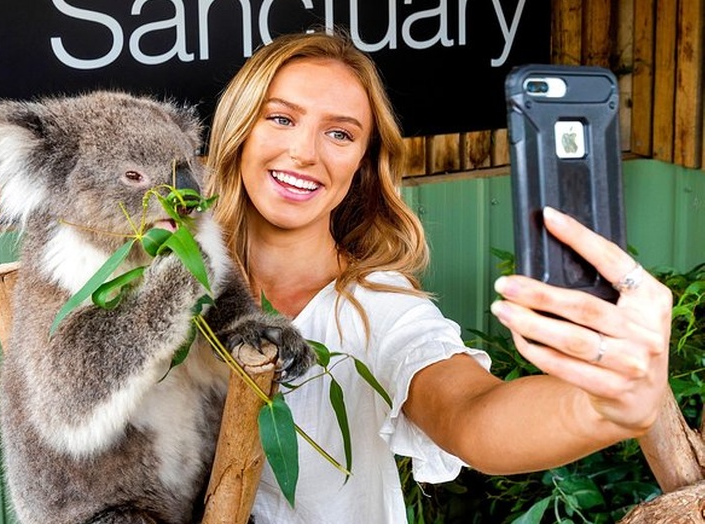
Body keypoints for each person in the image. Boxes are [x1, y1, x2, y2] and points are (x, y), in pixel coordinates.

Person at [203, 31, 672, 523]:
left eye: (339, 133)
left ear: (362, 162)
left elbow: (471, 414)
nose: (304, 153)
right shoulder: (167, 287)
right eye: (281, 118)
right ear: (240, 128)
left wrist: (601, 407)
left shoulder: (379, 309)